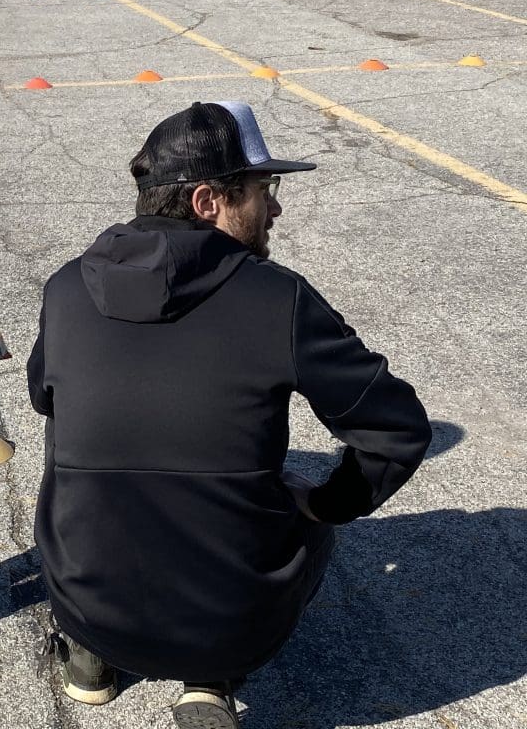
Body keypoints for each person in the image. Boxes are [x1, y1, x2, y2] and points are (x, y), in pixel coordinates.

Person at [27, 101, 432, 728]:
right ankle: (208, 679)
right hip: (231, 625)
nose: (275, 208)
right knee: (302, 503)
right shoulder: (280, 299)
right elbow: (397, 432)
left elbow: (42, 398)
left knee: (73, 457)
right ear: (208, 203)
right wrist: (328, 505)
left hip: (85, 600)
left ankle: (88, 658)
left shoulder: (65, 287)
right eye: (262, 190)